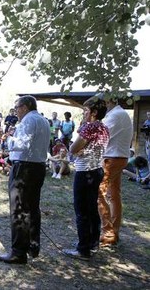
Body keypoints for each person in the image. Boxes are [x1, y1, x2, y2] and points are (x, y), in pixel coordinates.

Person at [0, 95, 50, 264]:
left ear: (24, 107)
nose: (16, 111)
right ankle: (33, 245)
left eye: (17, 107)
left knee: (19, 208)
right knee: (33, 207)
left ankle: (19, 252)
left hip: (25, 168)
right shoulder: (43, 120)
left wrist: (3, 137)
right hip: (38, 166)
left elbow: (22, 144)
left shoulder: (28, 120)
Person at [62, 96, 109, 260]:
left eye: (86, 111)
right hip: (97, 170)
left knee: (82, 210)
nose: (83, 114)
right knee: (91, 208)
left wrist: (75, 147)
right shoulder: (103, 127)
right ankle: (93, 243)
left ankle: (83, 249)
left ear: (94, 112)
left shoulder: (89, 127)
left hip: (85, 172)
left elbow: (74, 148)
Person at [98, 95, 133, 247]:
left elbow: (99, 137)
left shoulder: (115, 115)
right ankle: (113, 232)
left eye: (102, 103)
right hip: (119, 157)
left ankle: (108, 233)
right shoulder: (120, 114)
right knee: (113, 195)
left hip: (112, 158)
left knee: (100, 194)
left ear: (109, 101)